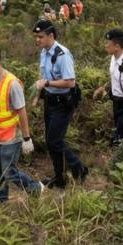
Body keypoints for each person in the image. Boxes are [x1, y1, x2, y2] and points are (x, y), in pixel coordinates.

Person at [0, 42, 42, 203]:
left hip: (11, 137)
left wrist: (27, 139)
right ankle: (2, 202)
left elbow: (22, 112)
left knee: (9, 172)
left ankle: (35, 188)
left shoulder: (12, 84)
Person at [34, 20, 87, 187]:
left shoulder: (62, 54)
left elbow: (70, 82)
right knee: (51, 142)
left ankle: (79, 169)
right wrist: (38, 95)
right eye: (36, 37)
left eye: (41, 37)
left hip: (63, 103)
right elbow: (44, 77)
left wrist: (48, 84)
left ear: (51, 35)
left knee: (55, 141)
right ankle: (60, 178)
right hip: (49, 101)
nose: (38, 40)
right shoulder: (44, 52)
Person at [92, 29, 123, 157]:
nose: (105, 45)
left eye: (108, 43)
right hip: (118, 101)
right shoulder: (114, 58)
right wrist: (102, 88)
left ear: (117, 46)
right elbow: (115, 76)